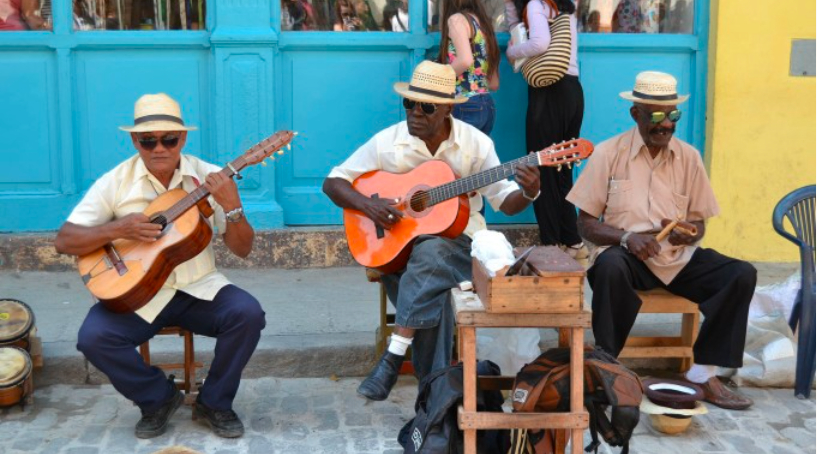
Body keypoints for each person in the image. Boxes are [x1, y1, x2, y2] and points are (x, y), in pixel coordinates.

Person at [323, 61, 541, 401]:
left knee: (433, 251)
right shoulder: (388, 141)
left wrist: (528, 192)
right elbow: (333, 181)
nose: (414, 114)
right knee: (433, 292)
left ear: (446, 110)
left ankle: (396, 359)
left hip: (460, 249)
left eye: (425, 107)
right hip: (399, 255)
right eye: (409, 104)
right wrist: (371, 208)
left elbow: (504, 200)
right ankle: (434, 400)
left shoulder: (476, 144)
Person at [54, 93, 266, 438]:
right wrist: (119, 228)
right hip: (139, 294)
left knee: (248, 314)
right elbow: (64, 240)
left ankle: (214, 402)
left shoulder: (210, 177)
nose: (159, 148)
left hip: (199, 288)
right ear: (134, 140)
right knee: (93, 338)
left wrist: (233, 207)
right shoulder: (116, 181)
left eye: (169, 138)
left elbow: (243, 250)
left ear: (183, 138)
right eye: (147, 140)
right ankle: (157, 398)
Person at [566, 71, 756, 410]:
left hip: (676, 258)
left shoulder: (689, 157)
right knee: (608, 267)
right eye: (655, 115)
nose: (665, 124)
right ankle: (608, 368)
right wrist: (626, 237)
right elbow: (586, 224)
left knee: (741, 274)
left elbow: (699, 223)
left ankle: (701, 374)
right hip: (628, 257)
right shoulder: (609, 153)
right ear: (635, 114)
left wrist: (690, 232)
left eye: (672, 115)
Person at [505, 0, 587, 261]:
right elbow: (514, 21)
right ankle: (572, 241)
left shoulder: (535, 5)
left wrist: (513, 51)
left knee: (541, 168)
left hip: (548, 93)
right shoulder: (565, 6)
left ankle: (552, 244)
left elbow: (539, 43)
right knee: (563, 168)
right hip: (573, 92)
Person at [438, 0, 500, 135]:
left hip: (465, 103)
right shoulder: (484, 24)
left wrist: (436, 78)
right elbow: (493, 83)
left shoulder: (457, 20)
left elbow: (465, 60)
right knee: (477, 156)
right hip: (487, 104)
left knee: (457, 155)